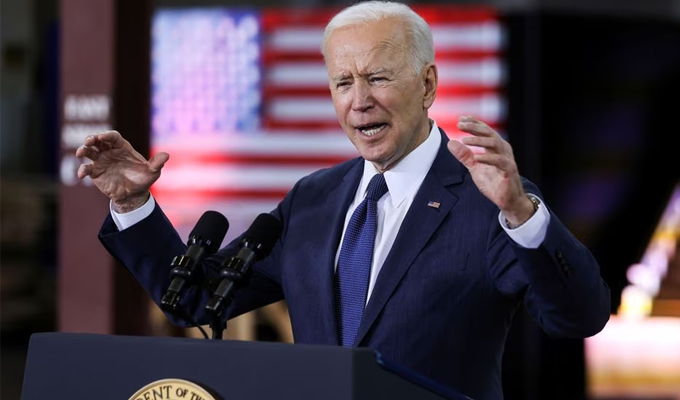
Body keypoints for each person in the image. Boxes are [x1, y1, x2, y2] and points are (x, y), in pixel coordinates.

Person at [76, 2, 610, 399]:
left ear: (427, 86)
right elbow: (197, 298)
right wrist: (132, 205)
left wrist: (521, 214)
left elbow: (578, 317)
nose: (359, 102)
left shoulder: (489, 200)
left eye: (378, 78)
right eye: (342, 83)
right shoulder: (315, 198)